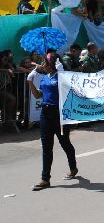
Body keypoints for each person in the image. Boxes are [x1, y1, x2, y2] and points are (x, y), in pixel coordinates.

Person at [27, 52, 78, 191]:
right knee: (46, 147)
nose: (42, 65)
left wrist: (62, 74)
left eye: (45, 62)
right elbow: (38, 95)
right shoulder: (44, 78)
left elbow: (68, 90)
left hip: (59, 114)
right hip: (45, 114)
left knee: (64, 143)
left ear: (52, 64)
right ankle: (45, 179)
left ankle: (73, 168)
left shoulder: (60, 76)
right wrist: (30, 81)